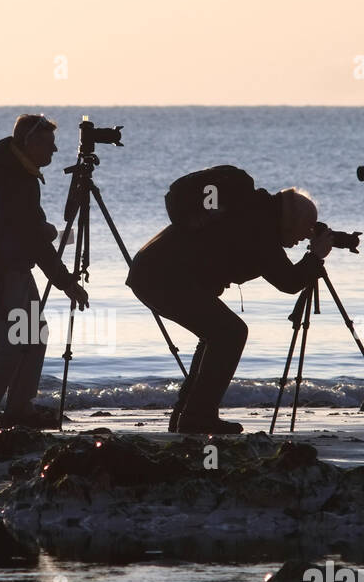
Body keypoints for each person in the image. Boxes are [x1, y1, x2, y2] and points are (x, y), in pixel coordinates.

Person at [127, 185, 333, 434]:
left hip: (151, 270)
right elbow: (289, 282)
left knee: (217, 333)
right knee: (230, 332)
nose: (306, 236)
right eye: (306, 227)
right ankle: (197, 417)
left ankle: (187, 414)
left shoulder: (258, 216)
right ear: (290, 220)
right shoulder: (260, 228)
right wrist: (315, 256)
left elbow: (284, 273)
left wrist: (313, 255)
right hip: (161, 275)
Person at [0, 114, 88, 431]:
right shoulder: (13, 178)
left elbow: (27, 231)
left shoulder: (15, 171)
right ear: (30, 143)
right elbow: (32, 238)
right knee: (12, 342)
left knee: (34, 336)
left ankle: (19, 408)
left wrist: (42, 232)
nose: (54, 152)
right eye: (49, 145)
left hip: (13, 269)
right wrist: (67, 282)